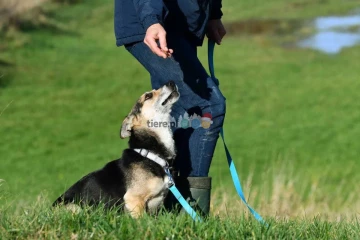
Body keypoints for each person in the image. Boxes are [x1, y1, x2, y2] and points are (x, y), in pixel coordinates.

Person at [114, 0, 226, 215]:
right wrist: (151, 20)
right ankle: (189, 215)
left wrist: (212, 12)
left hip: (183, 22)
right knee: (209, 106)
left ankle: (162, 211)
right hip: (152, 21)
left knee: (179, 113)